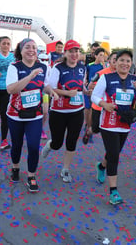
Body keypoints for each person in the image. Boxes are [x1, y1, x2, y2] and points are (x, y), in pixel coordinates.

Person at [92, 50, 136, 204]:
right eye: (121, 60)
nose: (125, 63)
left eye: (128, 61)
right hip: (108, 124)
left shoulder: (135, 80)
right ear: (115, 63)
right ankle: (113, 192)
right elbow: (95, 96)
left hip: (125, 124)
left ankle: (102, 166)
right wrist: (104, 104)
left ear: (130, 64)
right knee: (114, 155)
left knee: (113, 153)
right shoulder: (106, 78)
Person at [5, 38, 56, 193]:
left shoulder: (43, 66)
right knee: (17, 144)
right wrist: (30, 76)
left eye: (34, 47)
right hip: (16, 114)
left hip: (35, 114)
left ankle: (31, 176)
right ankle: (15, 167)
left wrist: (51, 92)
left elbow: (45, 85)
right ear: (20, 50)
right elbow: (11, 89)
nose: (31, 50)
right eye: (27, 47)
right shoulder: (14, 67)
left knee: (34, 146)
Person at [41, 40, 86, 183]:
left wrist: (87, 91)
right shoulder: (58, 68)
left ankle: (65, 169)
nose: (74, 54)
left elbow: (81, 87)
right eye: (71, 51)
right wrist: (67, 93)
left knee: (71, 142)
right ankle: (50, 145)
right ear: (65, 53)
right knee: (57, 143)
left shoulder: (82, 67)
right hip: (59, 111)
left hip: (77, 110)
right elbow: (50, 88)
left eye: (77, 51)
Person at [89, 52, 117, 134]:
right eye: (114, 59)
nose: (116, 61)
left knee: (109, 130)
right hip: (99, 106)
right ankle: (89, 132)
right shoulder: (101, 73)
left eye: (118, 59)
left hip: (112, 106)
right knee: (95, 129)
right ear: (109, 61)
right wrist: (103, 88)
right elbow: (90, 86)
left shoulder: (122, 74)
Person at [83, 47, 106, 144]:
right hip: (89, 88)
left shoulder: (103, 66)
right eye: (100, 55)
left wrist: (104, 64)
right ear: (95, 56)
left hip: (97, 92)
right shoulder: (89, 65)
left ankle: (89, 130)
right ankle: (86, 126)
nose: (102, 57)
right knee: (87, 109)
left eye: (103, 55)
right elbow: (86, 76)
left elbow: (106, 74)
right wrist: (85, 84)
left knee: (92, 110)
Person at [38, 53, 52, 139]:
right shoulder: (35, 66)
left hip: (45, 92)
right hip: (35, 92)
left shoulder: (49, 67)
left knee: (45, 111)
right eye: (43, 60)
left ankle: (41, 128)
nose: (45, 62)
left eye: (46, 60)